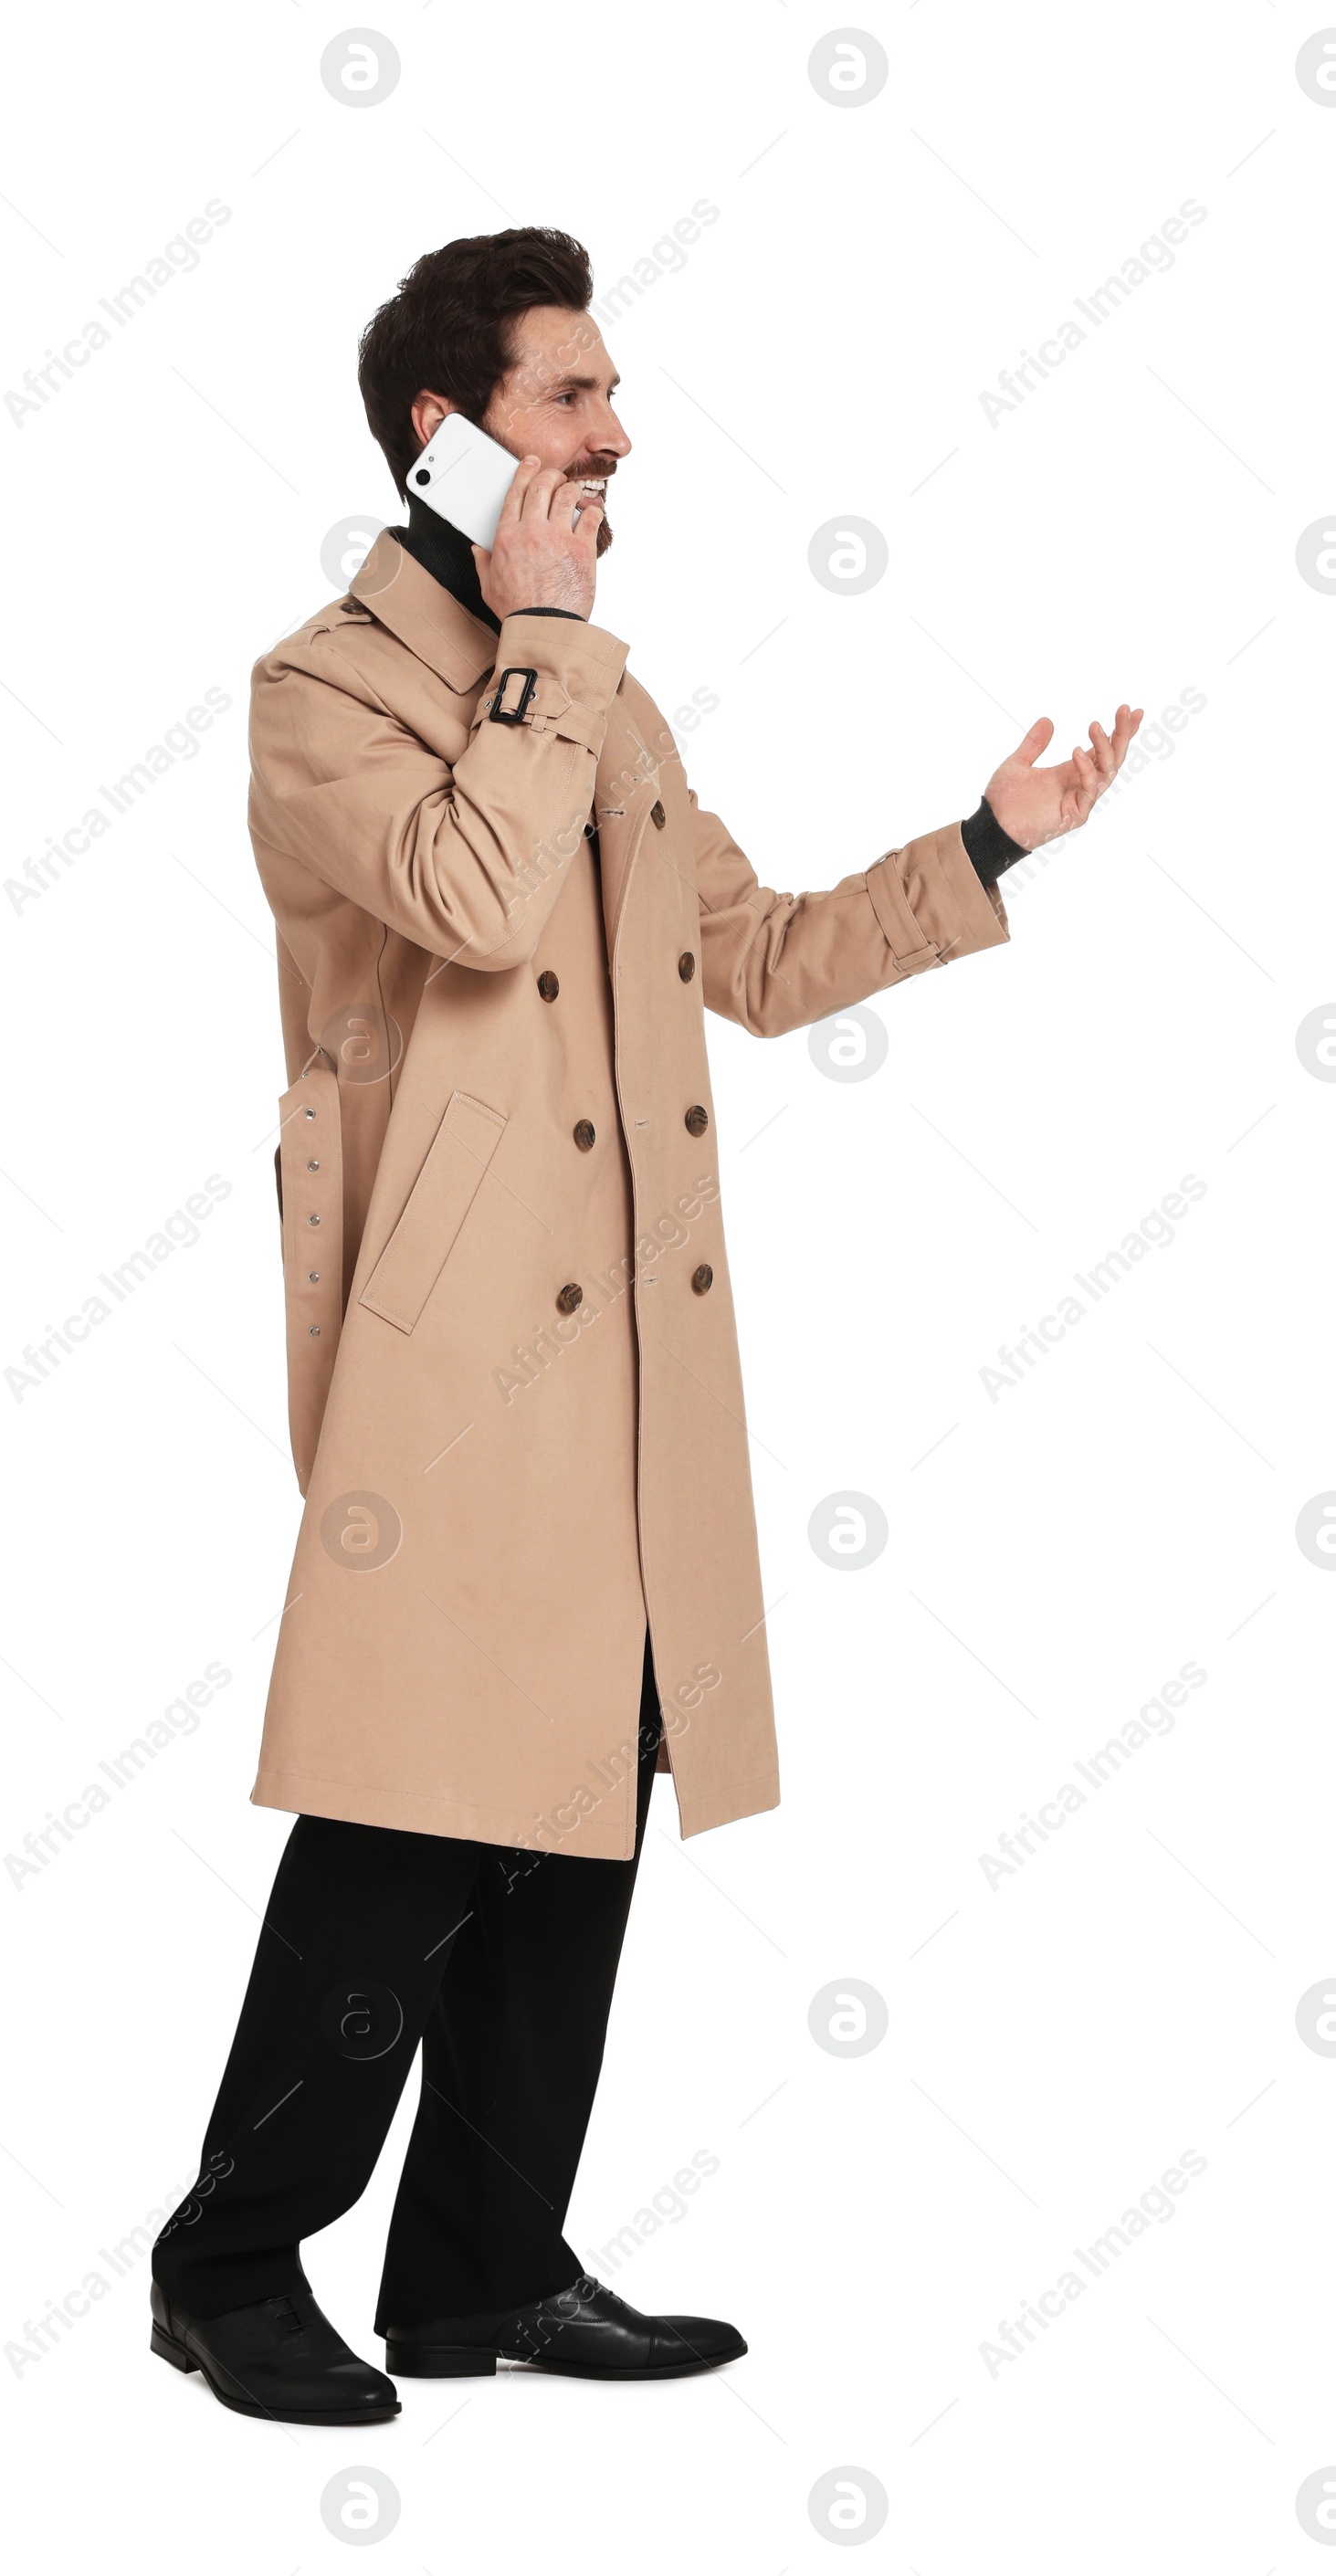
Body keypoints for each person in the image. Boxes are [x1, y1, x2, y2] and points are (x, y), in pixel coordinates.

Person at [149, 226, 1141, 2425]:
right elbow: (474, 897)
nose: (617, 432)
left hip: (616, 1361)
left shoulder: (594, 688)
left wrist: (990, 840)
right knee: (406, 1816)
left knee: (575, 1806)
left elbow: (759, 958)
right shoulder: (324, 693)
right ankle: (224, 2264)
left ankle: (480, 2270)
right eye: (573, 398)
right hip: (441, 1362)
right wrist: (542, 648)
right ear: (449, 433)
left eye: (609, 394)